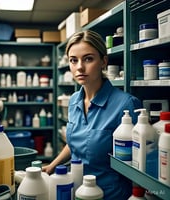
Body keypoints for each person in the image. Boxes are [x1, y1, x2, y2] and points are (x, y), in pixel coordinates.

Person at [43, 30, 142, 199]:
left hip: (109, 194)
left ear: (103, 61)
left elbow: (139, 164)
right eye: (73, 60)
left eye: (88, 59)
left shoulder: (126, 105)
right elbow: (75, 143)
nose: (79, 67)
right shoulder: (74, 100)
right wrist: (52, 166)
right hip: (76, 190)